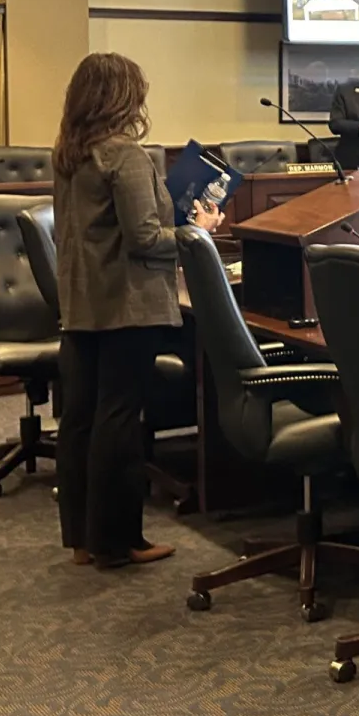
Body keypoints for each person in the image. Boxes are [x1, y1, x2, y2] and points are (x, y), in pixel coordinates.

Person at [51, 53, 223, 569]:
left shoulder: (68, 154)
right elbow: (145, 238)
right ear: (123, 97)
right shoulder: (126, 154)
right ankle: (119, 540)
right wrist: (198, 231)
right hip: (128, 303)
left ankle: (83, 540)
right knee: (119, 419)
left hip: (82, 301)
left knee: (80, 419)